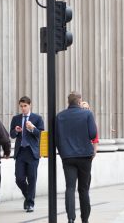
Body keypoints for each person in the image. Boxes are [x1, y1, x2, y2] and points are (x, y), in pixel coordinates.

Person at [55, 92, 97, 223]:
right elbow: (92, 134)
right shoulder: (87, 114)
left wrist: (63, 152)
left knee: (70, 187)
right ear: (79, 102)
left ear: (69, 102)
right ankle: (85, 219)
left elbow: (56, 137)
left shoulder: (60, 116)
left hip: (68, 157)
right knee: (83, 189)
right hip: (84, 156)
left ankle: (70, 218)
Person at [9, 96, 44, 213]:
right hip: (20, 152)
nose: (23, 108)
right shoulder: (16, 118)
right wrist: (16, 131)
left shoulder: (37, 118)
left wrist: (33, 128)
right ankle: (28, 196)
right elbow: (12, 135)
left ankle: (30, 203)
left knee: (32, 178)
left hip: (32, 152)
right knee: (19, 178)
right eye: (21, 106)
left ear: (30, 105)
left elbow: (41, 135)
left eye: (25, 106)